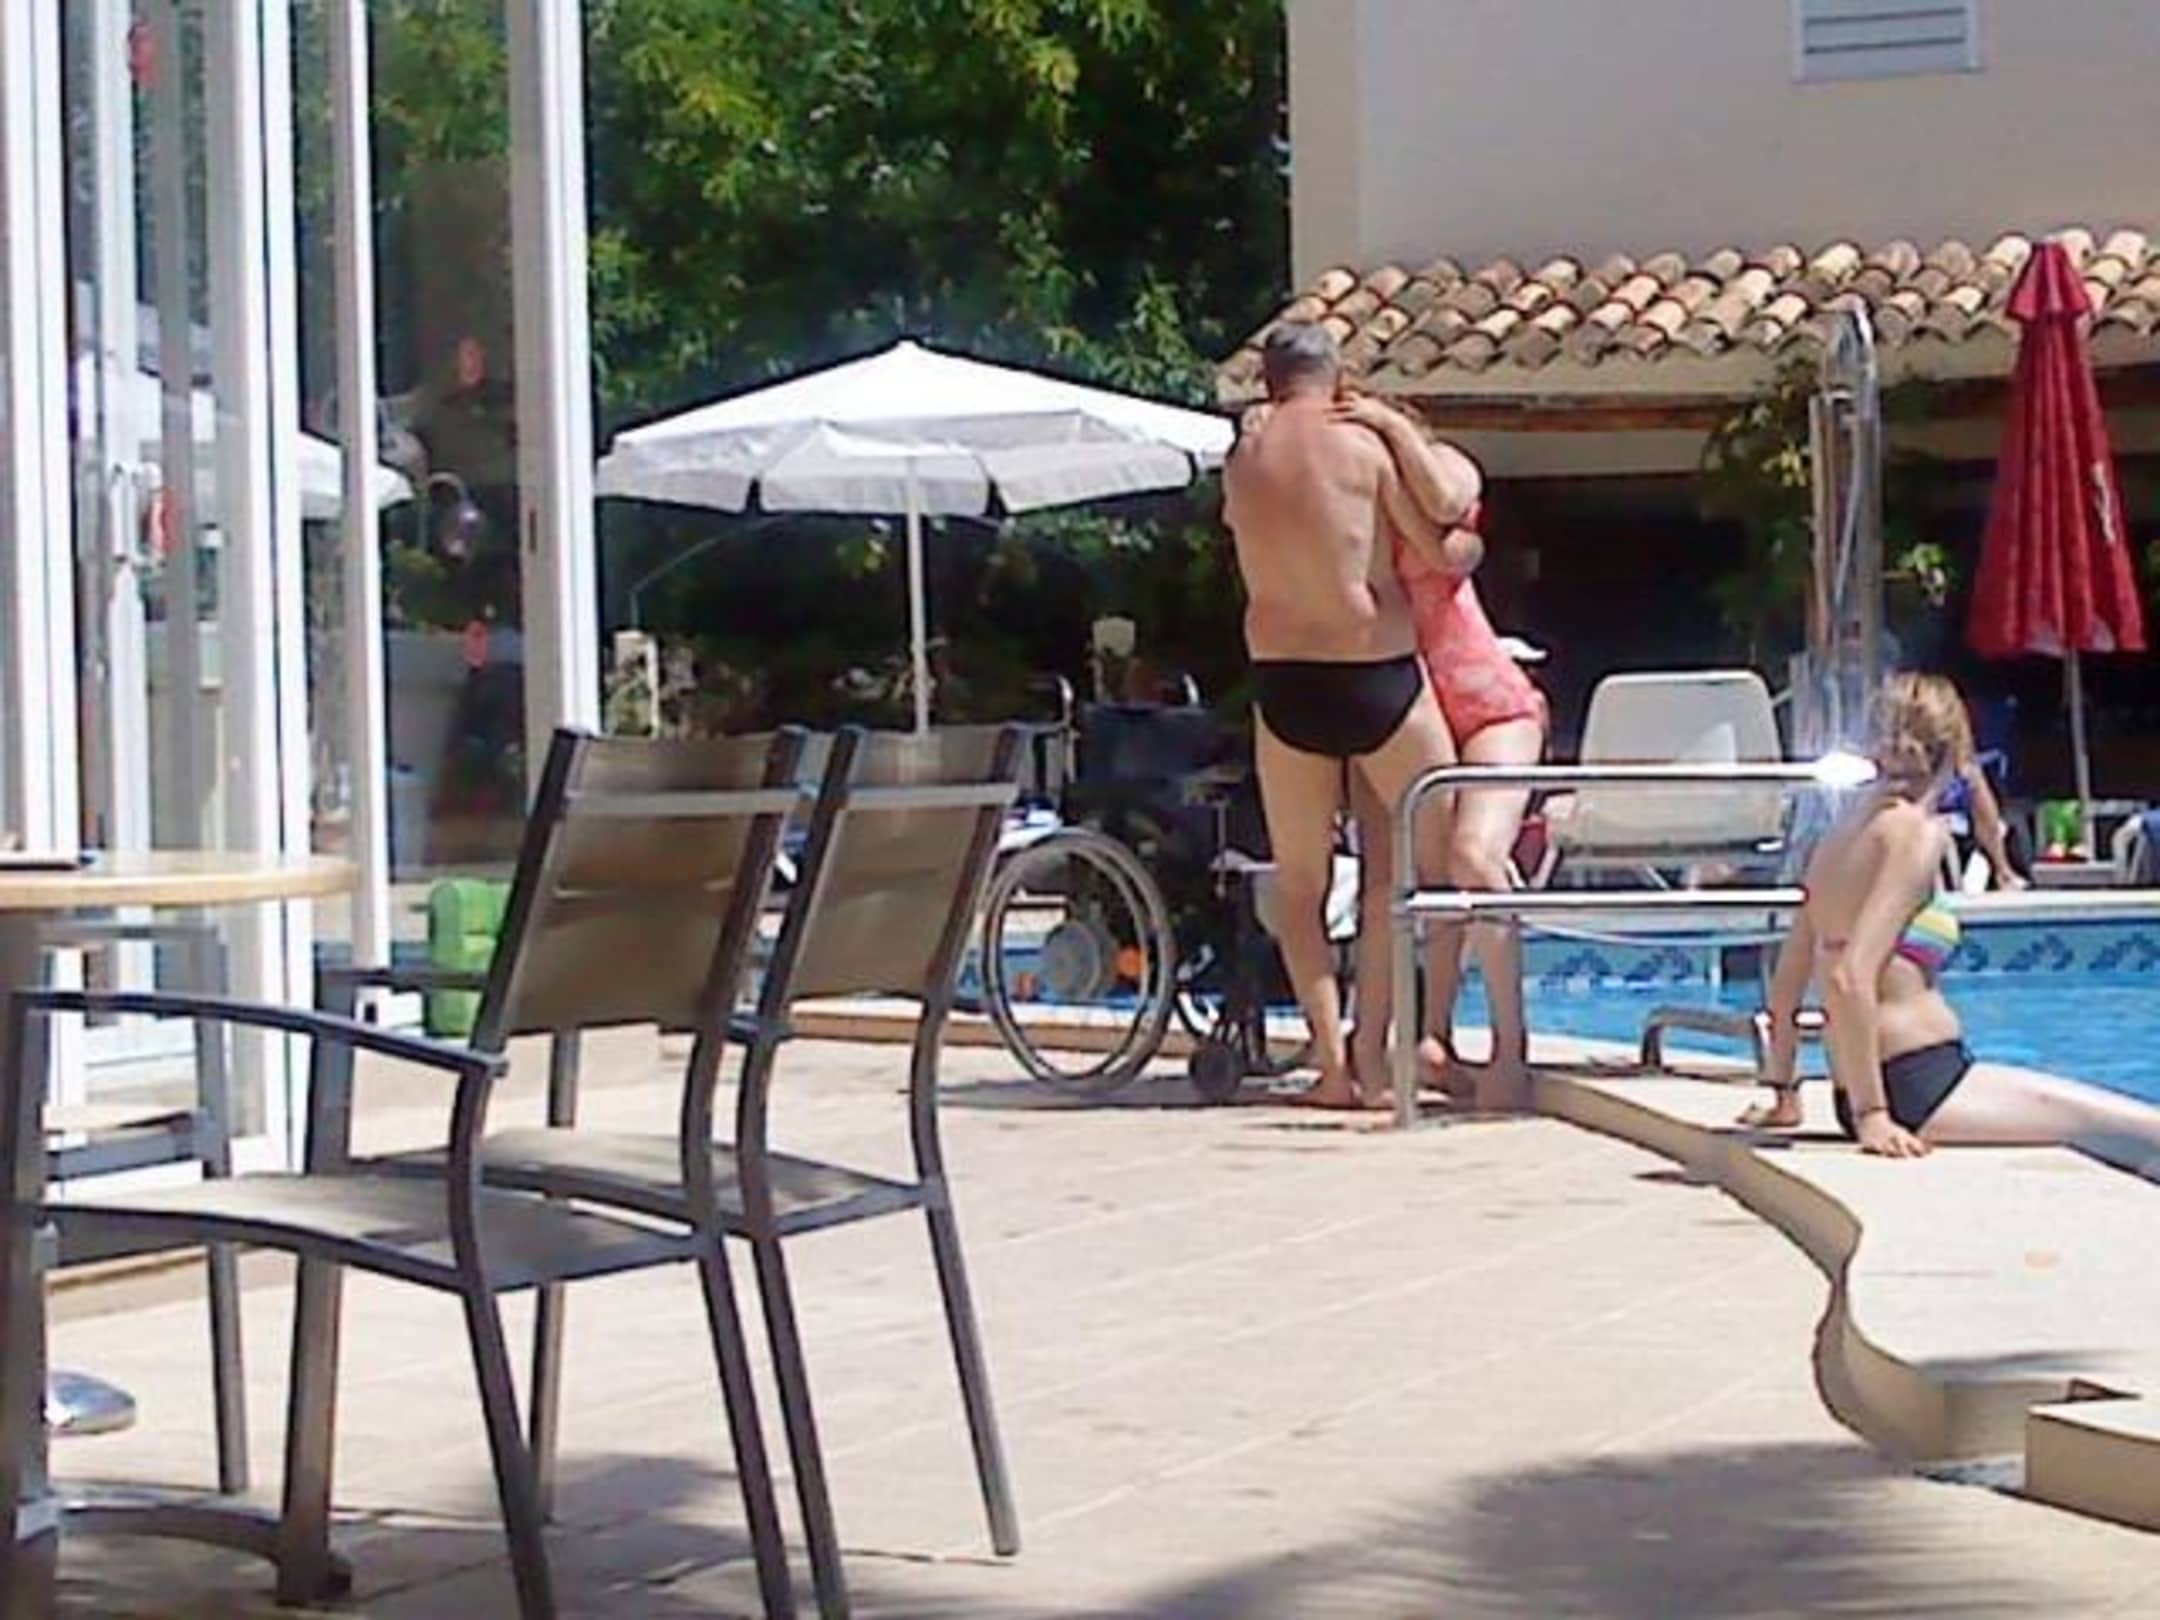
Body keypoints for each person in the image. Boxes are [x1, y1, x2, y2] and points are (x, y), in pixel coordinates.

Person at [1738, 673, 2158, 1156]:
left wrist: (1785, 1091)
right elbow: (1851, 977)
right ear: (1957, 750)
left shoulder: (1837, 837)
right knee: (2141, 1130)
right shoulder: (1915, 835)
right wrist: (1872, 1115)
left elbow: (1789, 978)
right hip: (1914, 1087)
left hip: (1896, 1081)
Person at [1224, 323, 1477, 1110]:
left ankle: (1333, 1066)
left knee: (1301, 887)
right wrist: (1466, 549)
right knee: (1410, 870)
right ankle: (1390, 1049)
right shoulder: (1362, 447)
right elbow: (1439, 539)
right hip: (1376, 670)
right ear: (1336, 376)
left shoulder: (1242, 458)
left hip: (1285, 679)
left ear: (1268, 382)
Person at [1349, 483, 1548, 1111]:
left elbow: (1454, 542)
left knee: (1473, 857)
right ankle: (1413, 1040)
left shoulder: (1433, 486)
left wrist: (1392, 445)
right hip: (1401, 712)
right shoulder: (1345, 516)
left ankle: (1509, 1049)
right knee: (1396, 878)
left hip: (1489, 706)